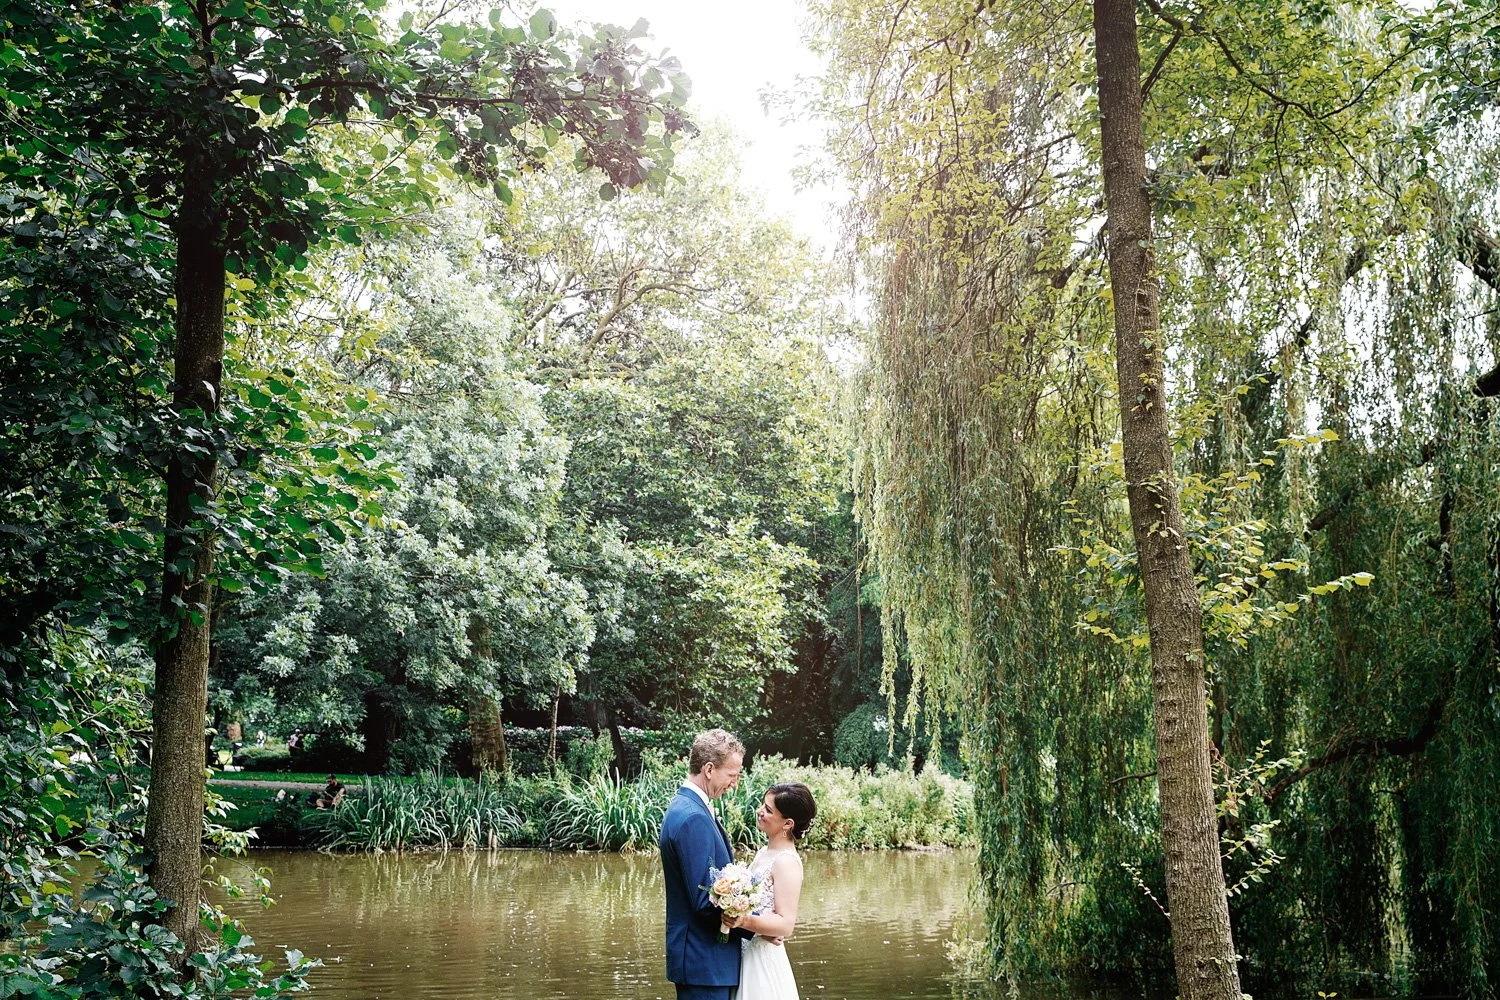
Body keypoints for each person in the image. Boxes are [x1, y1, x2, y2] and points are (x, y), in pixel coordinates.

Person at [659, 729, 748, 999]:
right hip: (704, 962)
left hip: (702, 963)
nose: (734, 784)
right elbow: (705, 899)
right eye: (732, 775)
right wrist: (756, 921)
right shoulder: (692, 818)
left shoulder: (687, 807)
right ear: (709, 769)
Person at [728, 783, 816, 1000]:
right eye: (763, 805)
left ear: (788, 823)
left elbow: (785, 924)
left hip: (762, 959)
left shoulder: (786, 862)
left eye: (768, 810)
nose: (760, 811)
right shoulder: (763, 853)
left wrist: (743, 920)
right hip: (745, 952)